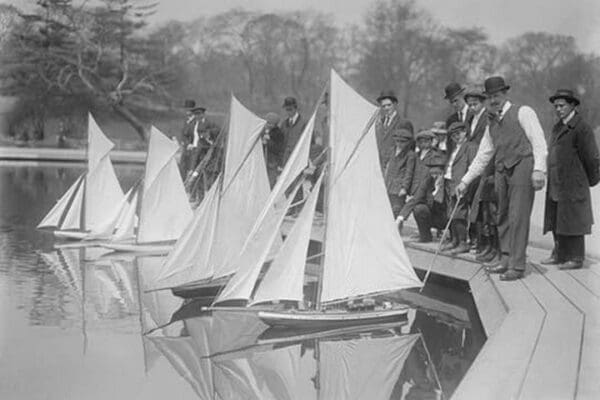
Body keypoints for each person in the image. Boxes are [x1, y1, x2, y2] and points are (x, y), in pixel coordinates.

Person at [456, 76, 548, 281]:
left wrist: (539, 169)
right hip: (502, 169)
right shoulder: (491, 122)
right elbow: (483, 155)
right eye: (489, 97)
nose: (493, 100)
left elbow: (539, 142)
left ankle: (517, 265)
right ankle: (506, 258)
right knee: (502, 215)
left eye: (496, 96)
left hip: (523, 165)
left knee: (518, 215)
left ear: (505, 94)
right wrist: (465, 181)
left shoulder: (523, 112)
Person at [542, 89, 600, 270]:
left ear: (573, 105)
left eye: (562, 106)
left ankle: (576, 257)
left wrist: (588, 180)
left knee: (573, 219)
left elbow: (592, 158)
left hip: (574, 182)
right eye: (556, 106)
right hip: (557, 180)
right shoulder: (558, 126)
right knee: (557, 216)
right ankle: (560, 253)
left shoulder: (581, 128)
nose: (558, 109)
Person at [396, 129, 447, 242]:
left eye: (426, 141)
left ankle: (426, 235)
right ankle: (423, 233)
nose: (424, 143)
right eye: (421, 141)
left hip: (430, 194)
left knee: (419, 209)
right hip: (416, 191)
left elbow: (432, 177)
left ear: (431, 141)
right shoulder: (415, 155)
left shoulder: (437, 155)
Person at [441, 122, 479, 255]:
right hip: (449, 182)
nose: (456, 137)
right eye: (453, 135)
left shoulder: (470, 147)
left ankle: (463, 242)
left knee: (459, 213)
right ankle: (454, 240)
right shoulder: (454, 148)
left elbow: (473, 168)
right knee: (450, 213)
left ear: (465, 132)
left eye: (459, 133)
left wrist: (466, 184)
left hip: (460, 184)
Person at [375, 90, 415, 170]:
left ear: (395, 104)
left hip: (396, 167)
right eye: (383, 106)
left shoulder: (404, 122)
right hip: (379, 166)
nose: (386, 108)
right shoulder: (378, 123)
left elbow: (410, 147)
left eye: (389, 105)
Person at [180, 100, 220, 179]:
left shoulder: (208, 123)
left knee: (197, 166)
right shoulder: (192, 124)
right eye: (196, 114)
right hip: (192, 148)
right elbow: (185, 135)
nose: (197, 116)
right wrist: (188, 144)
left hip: (203, 148)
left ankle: (193, 173)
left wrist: (208, 133)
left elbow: (218, 130)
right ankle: (188, 177)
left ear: (203, 114)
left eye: (199, 114)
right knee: (184, 165)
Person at [384, 128, 416, 218]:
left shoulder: (410, 155)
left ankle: (396, 230)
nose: (399, 144)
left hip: (398, 187)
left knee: (396, 210)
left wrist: (404, 188)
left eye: (402, 142)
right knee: (385, 208)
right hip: (388, 184)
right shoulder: (391, 151)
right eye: (397, 141)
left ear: (408, 142)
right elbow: (385, 165)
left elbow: (409, 173)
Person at [279, 97, 308, 165]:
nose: (288, 112)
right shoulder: (284, 124)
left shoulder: (304, 123)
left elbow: (309, 141)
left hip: (298, 158)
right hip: (286, 159)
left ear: (296, 108)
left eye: (290, 109)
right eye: (287, 109)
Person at [261, 112, 285, 187]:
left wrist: (269, 141)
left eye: (269, 123)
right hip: (263, 161)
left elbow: (278, 149)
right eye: (266, 123)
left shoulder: (278, 134)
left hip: (272, 163)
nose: (267, 125)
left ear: (274, 125)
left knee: (270, 183)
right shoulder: (263, 131)